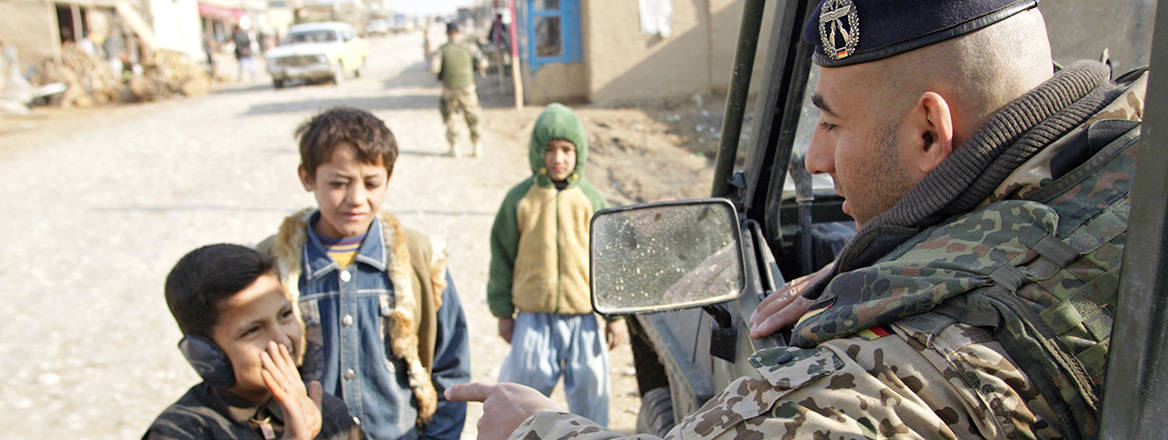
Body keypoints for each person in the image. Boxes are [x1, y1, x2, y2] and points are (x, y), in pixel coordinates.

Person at [447, 0, 1145, 438]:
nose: (812, 157)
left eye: (833, 123)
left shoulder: (936, 355)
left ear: (930, 134)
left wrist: (536, 427)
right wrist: (896, 251)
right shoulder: (1137, 155)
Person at [257, 107, 470, 440]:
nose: (356, 199)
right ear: (307, 177)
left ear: (389, 176)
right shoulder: (275, 264)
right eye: (338, 184)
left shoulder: (418, 258)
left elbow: (451, 367)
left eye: (372, 183)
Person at [485, 103, 627, 426]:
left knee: (592, 398)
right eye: (549, 149)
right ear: (537, 152)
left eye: (566, 149)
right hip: (533, 319)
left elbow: (609, 260)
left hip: (584, 319)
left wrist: (615, 317)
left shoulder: (592, 200)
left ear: (579, 152)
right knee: (523, 397)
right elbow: (502, 258)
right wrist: (504, 313)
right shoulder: (520, 200)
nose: (558, 158)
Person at [145, 244, 355, 439]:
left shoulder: (325, 411)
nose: (282, 340)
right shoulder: (178, 432)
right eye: (253, 330)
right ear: (204, 354)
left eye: (285, 314)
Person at [430, 22, 487, 157]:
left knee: (451, 118)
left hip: (449, 90)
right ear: (459, 32)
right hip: (468, 89)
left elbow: (434, 69)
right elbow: (483, 63)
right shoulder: (470, 47)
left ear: (447, 33)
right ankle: (477, 147)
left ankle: (455, 148)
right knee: (473, 117)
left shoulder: (442, 50)